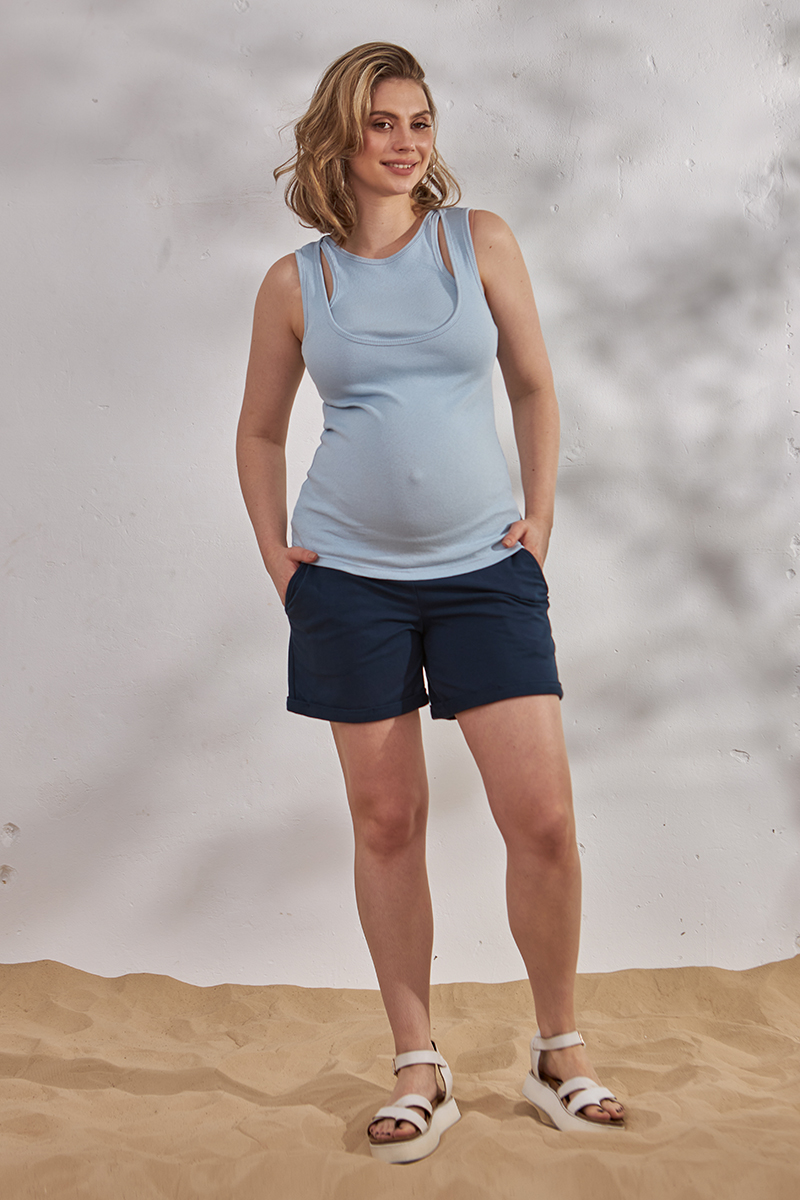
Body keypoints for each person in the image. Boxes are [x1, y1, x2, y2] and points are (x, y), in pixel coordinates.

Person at [236, 42, 625, 1164]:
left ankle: (557, 1051)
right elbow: (258, 431)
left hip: (482, 572)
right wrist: (279, 560)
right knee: (387, 821)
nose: (405, 143)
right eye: (381, 124)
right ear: (339, 138)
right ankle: (418, 1064)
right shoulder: (296, 283)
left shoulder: (477, 241)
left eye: (419, 122)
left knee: (541, 822)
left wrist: (537, 521)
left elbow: (534, 385)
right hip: (347, 585)